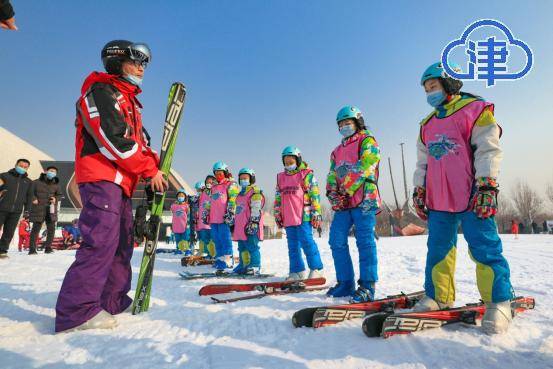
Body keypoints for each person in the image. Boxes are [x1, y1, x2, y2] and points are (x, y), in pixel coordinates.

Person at [55, 40, 167, 333]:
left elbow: (138, 144)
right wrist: (148, 169)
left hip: (121, 183)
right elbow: (113, 139)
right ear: (117, 62)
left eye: (144, 63)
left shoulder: (128, 99)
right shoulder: (101, 92)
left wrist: (153, 167)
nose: (141, 68)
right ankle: (75, 312)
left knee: (121, 244)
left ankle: (112, 298)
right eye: (136, 61)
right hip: (101, 178)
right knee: (100, 244)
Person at [412, 62, 514, 334]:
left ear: (450, 83)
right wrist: (419, 189)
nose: (429, 93)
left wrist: (487, 186)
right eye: (426, 90)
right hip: (439, 197)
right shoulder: (427, 124)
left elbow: (488, 150)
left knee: (484, 246)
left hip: (471, 193)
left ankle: (499, 301)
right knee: (438, 249)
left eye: (433, 86)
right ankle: (438, 296)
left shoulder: (475, 110)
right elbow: (423, 163)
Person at [326, 106, 381, 302]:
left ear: (358, 122)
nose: (344, 126)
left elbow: (367, 165)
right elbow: (332, 173)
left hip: (364, 199)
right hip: (343, 203)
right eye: (341, 124)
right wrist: (332, 192)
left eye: (347, 123)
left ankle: (367, 285)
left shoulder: (367, 141)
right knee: (336, 240)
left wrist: (346, 189)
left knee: (364, 241)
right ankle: (345, 282)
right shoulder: (336, 151)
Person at [274, 146, 324, 280]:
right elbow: (278, 197)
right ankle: (297, 271)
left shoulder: (306, 175)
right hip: (288, 216)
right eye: (286, 162)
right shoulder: (281, 178)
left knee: (307, 241)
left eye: (291, 162)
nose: (288, 165)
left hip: (304, 215)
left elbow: (315, 194)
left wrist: (316, 212)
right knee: (292, 245)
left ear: (298, 159)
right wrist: (277, 214)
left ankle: (316, 269)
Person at [202, 162, 240, 271]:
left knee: (225, 239)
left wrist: (230, 212)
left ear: (225, 173)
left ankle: (228, 260)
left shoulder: (230, 184)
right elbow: (209, 201)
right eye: (216, 173)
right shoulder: (213, 187)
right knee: (216, 240)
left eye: (221, 173)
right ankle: (220, 260)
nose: (218, 175)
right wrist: (206, 213)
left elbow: (233, 199)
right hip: (214, 218)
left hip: (224, 218)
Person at [232, 168, 265, 275]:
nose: (243, 180)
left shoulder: (254, 193)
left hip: (250, 225)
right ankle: (244, 264)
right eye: (241, 179)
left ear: (251, 179)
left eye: (245, 178)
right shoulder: (239, 194)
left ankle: (255, 266)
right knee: (242, 247)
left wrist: (254, 222)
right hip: (240, 226)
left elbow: (256, 208)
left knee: (252, 246)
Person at [0, 158, 33, 258]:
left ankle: (2, 250)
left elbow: (29, 197)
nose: (22, 168)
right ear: (16, 165)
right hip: (1, 207)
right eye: (21, 166)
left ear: (27, 168)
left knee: (9, 232)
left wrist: (27, 211)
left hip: (16, 211)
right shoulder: (4, 176)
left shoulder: (28, 182)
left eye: (25, 167)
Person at [28, 166, 62, 254]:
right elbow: (30, 192)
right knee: (36, 228)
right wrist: (33, 198)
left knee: (51, 228)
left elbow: (59, 195)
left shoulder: (56, 184)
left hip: (51, 209)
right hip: (39, 208)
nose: (52, 173)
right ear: (45, 171)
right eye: (51, 171)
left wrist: (55, 198)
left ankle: (48, 248)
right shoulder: (36, 182)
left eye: (54, 172)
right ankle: (32, 249)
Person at [196, 176, 216, 258]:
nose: (209, 184)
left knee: (212, 239)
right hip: (202, 220)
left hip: (211, 220)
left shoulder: (215, 192)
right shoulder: (203, 192)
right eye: (207, 182)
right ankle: (207, 253)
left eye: (211, 182)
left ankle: (214, 254)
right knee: (205, 238)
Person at [171, 189, 191, 255]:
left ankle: (187, 249)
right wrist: (175, 204)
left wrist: (188, 223)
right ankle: (178, 249)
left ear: (185, 197)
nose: (180, 197)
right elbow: (171, 210)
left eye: (182, 196)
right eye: (179, 196)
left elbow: (188, 214)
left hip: (184, 225)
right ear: (177, 197)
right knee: (177, 238)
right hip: (176, 225)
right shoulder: (173, 205)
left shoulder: (186, 205)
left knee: (185, 238)